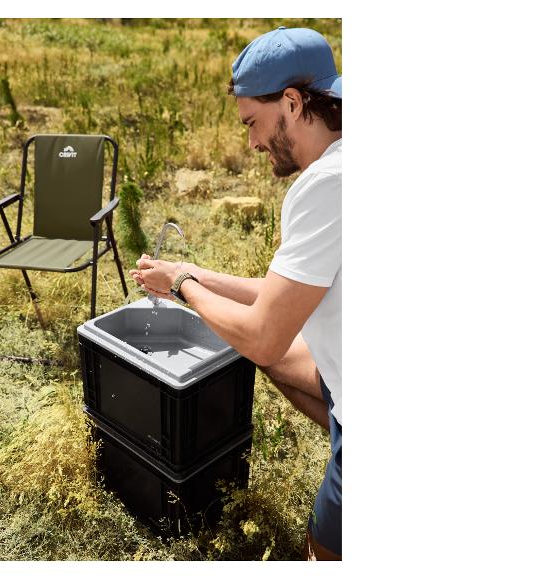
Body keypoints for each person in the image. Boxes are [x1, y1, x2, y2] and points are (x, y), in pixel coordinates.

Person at [129, 27, 342, 560]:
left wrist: (181, 286)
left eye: (253, 123)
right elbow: (277, 296)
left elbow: (263, 339)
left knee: (321, 550)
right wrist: (192, 272)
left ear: (292, 102)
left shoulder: (323, 186)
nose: (249, 143)